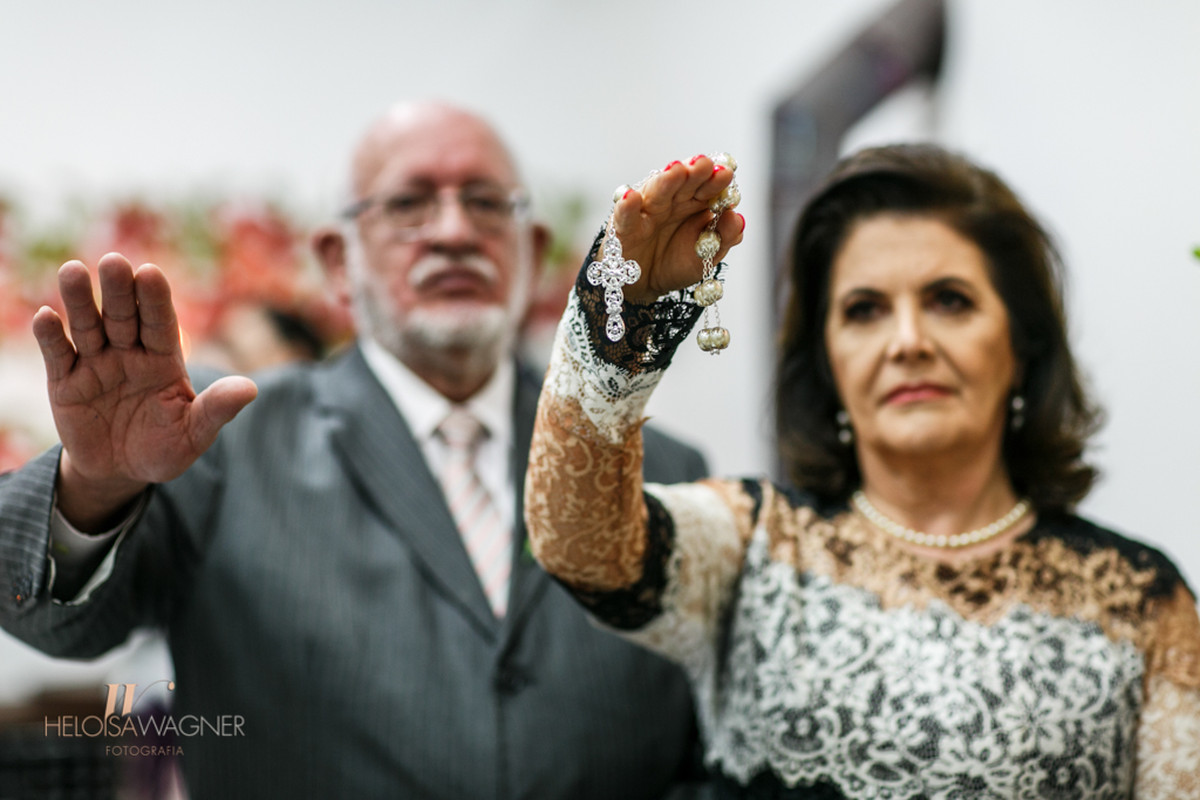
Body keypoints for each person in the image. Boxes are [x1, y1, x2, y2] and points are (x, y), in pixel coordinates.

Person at [0, 102, 713, 798]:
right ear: (338, 262)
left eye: (488, 203)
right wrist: (94, 485)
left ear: (530, 252)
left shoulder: (667, 471)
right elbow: (58, 623)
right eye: (408, 204)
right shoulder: (222, 444)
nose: (454, 231)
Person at [524, 145, 1200, 798]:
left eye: (950, 300)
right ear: (828, 362)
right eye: (864, 310)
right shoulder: (756, 544)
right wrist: (623, 317)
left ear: (1022, 345)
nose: (907, 341)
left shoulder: (1140, 601)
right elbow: (578, 543)